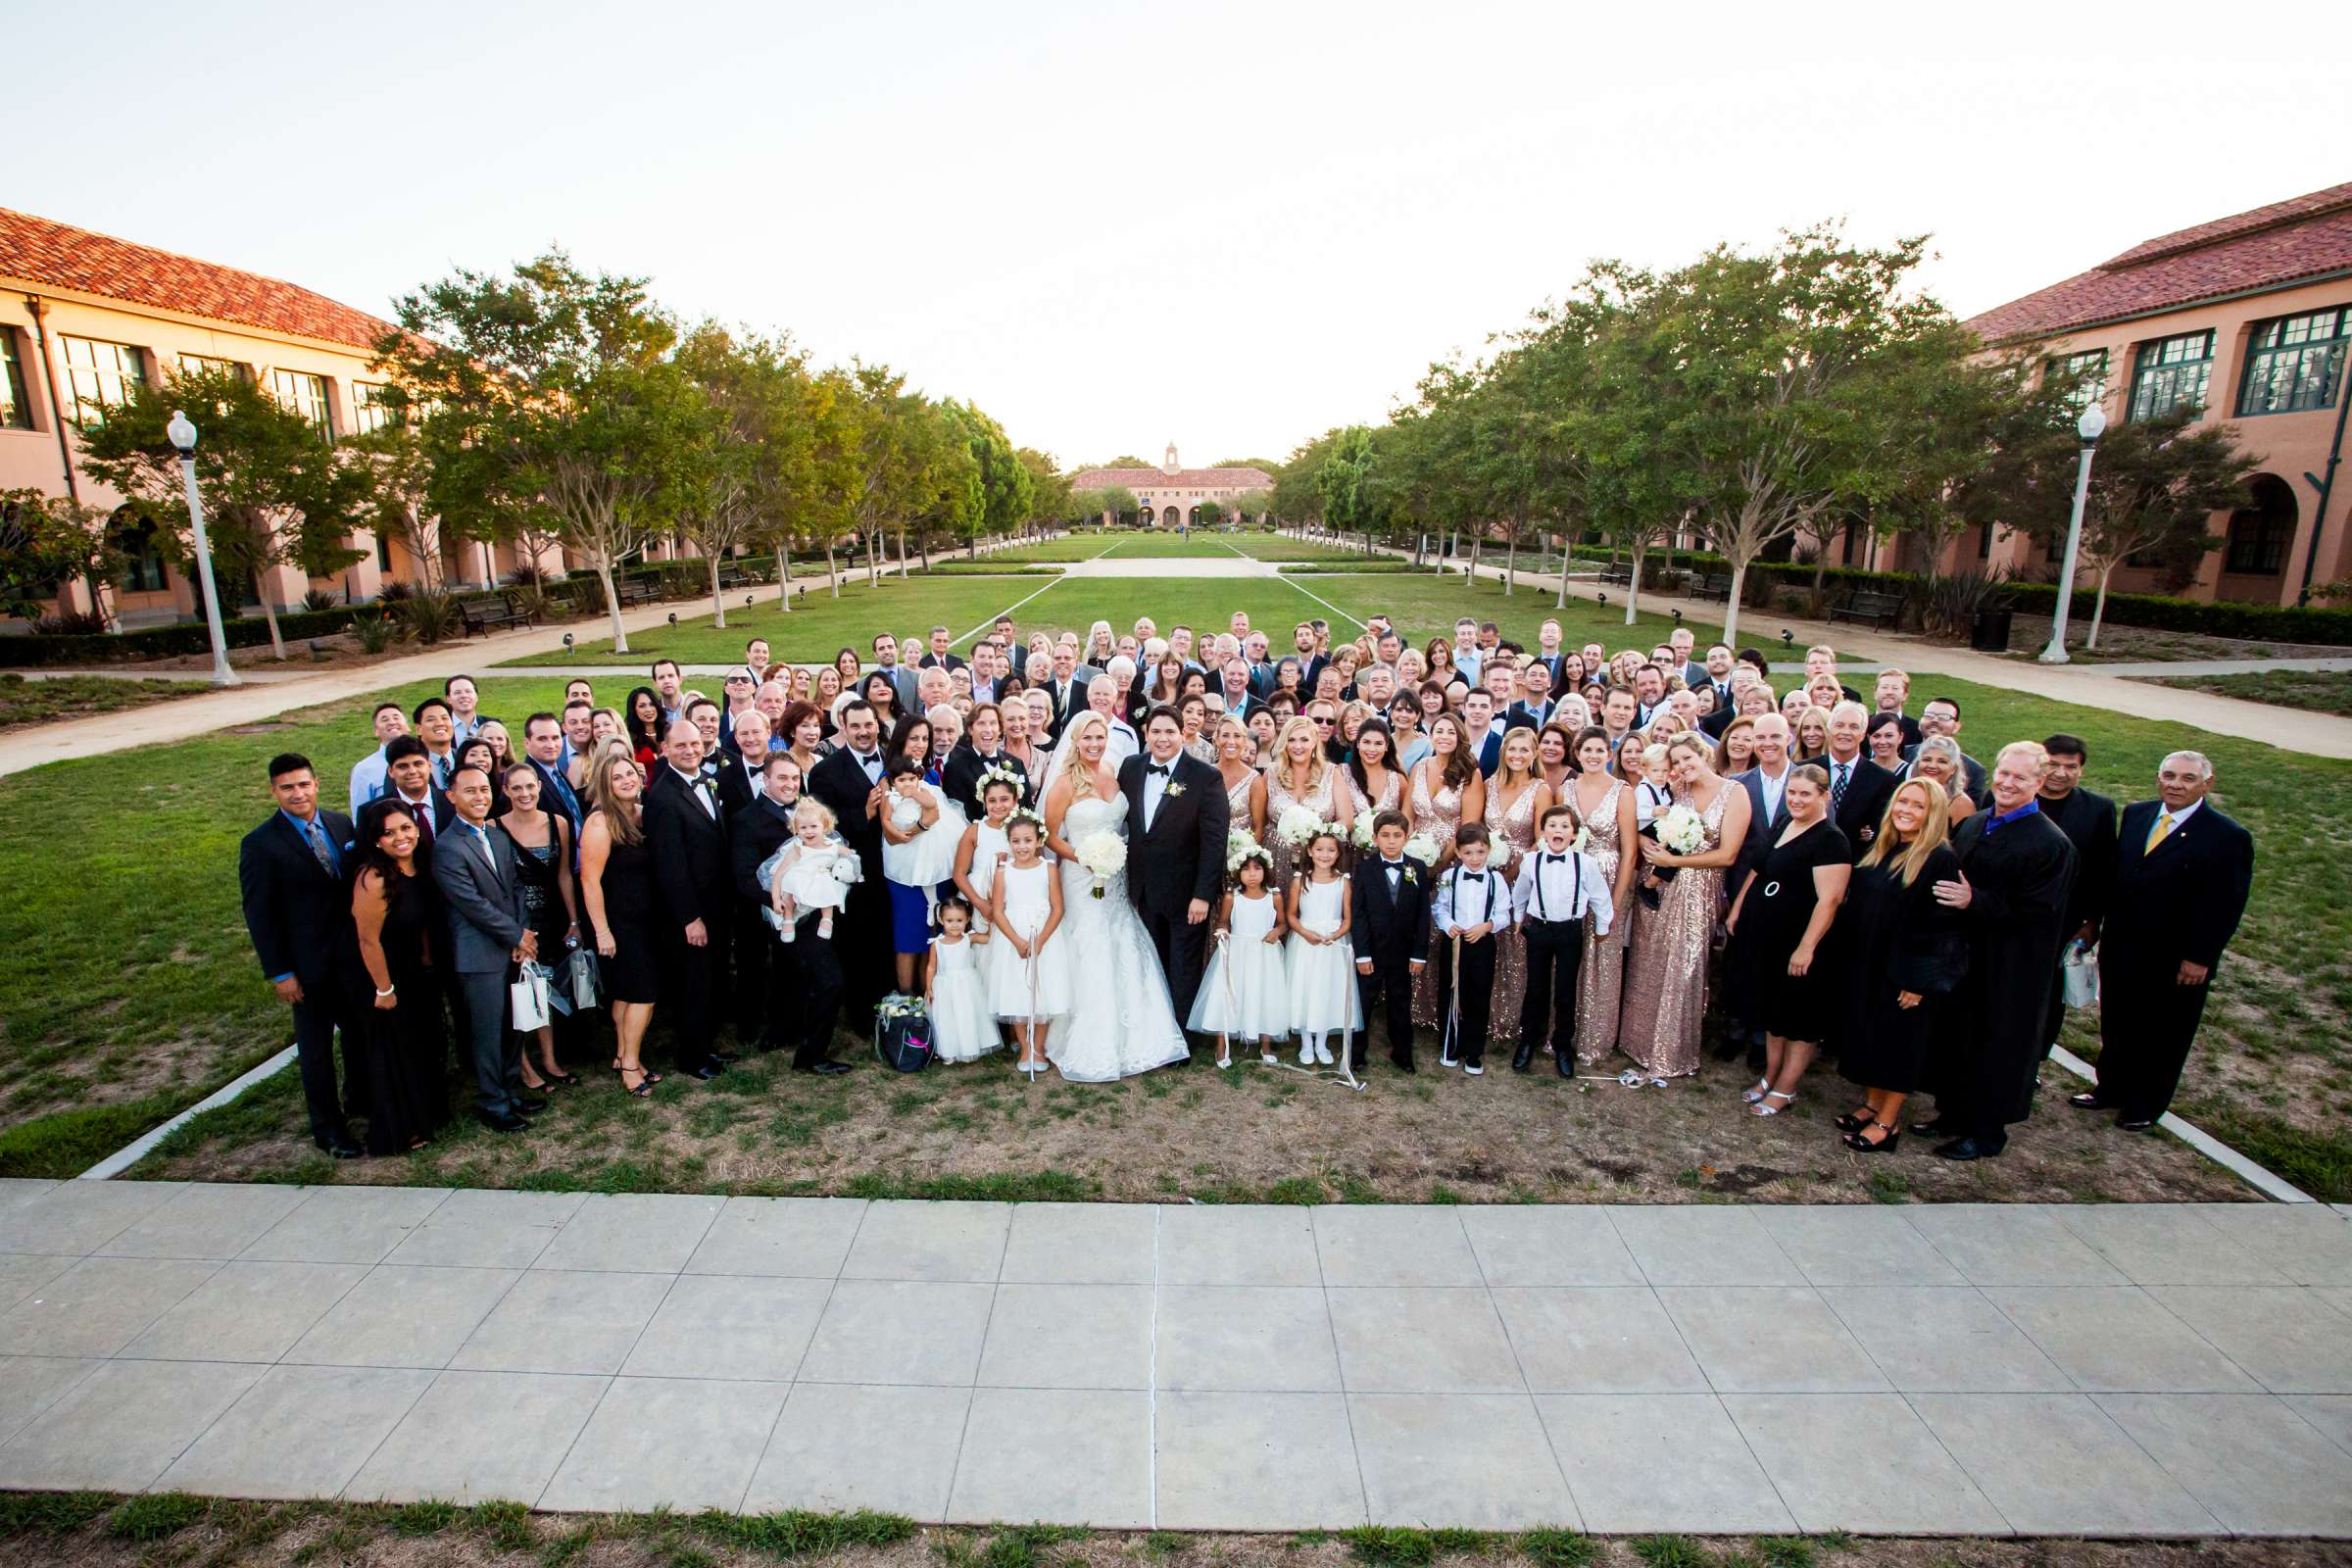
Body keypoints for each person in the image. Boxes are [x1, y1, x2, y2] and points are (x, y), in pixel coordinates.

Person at [2077, 750, 2254, 1131]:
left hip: (2176, 958)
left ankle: (2145, 1104)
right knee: (2118, 1020)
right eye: (2169, 775)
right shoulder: (2138, 814)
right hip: (2124, 944)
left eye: (2188, 778)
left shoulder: (2227, 837)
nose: (2176, 784)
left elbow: (2225, 904)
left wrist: (2200, 957)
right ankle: (2110, 1088)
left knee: (2164, 1033)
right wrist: (2097, 923)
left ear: (2207, 783)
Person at [1921, 741, 2080, 1161]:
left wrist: (1976, 902)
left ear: (2039, 782)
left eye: (2020, 777)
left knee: (1995, 1045)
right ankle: (1951, 1113)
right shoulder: (1975, 824)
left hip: (2010, 965)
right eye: (2004, 774)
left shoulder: (2051, 845)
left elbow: (2039, 910)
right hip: (1964, 958)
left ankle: (1986, 1131)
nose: (2008, 783)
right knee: (1957, 1037)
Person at [1038, 711, 1194, 1079]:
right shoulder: (1063, 782)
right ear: (1075, 741)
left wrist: (1112, 859)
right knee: (1090, 947)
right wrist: (1085, 858)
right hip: (1082, 878)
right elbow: (1050, 835)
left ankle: (1143, 1037)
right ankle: (1092, 1041)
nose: (1094, 745)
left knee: (1124, 942)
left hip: (1118, 878)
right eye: (1087, 738)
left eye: (1100, 737)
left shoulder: (1116, 771)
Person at [239, 753, 363, 1158]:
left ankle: (360, 1100)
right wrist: (280, 973)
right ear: (274, 791)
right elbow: (260, 915)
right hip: (307, 968)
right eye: (288, 787)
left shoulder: (340, 824)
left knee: (359, 1036)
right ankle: (328, 1129)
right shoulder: (260, 844)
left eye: (303, 784)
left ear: (316, 783)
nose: (298, 793)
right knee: (316, 1053)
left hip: (349, 958)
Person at [1835, 779, 1968, 1152]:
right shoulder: (1885, 847)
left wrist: (1920, 981)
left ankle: (1887, 1122)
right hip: (1870, 964)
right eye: (1902, 802)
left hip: (1905, 972)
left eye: (1918, 806)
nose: (1906, 810)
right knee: (1870, 1038)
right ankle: (1870, 1104)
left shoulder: (1940, 858)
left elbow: (1942, 926)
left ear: (1934, 813)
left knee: (1897, 1047)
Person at [1619, 733, 1749, 1080]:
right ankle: (1638, 1043)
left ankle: (1672, 1050)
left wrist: (1675, 863)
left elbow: (1729, 854)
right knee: (1650, 959)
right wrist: (1647, 843)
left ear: (1704, 754)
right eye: (1676, 762)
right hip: (1658, 884)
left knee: (1684, 965)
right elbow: (1646, 826)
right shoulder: (1677, 792)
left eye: (1688, 759)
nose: (1682, 767)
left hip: (1699, 888)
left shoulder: (1734, 793)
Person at [1724, 764, 1850, 1118]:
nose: (1796, 799)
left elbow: (1830, 900)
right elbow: (1759, 868)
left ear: (1823, 796)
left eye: (1805, 794)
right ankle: (1770, 1076)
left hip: (1798, 942)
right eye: (1792, 793)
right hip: (1767, 939)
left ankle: (1787, 1087)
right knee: (1773, 1012)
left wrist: (1807, 946)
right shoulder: (1785, 824)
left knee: (1797, 1020)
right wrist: (1738, 907)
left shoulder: (1831, 840)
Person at [432, 763, 541, 1134]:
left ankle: (509, 1091)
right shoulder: (447, 847)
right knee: (488, 1032)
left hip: (513, 946)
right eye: (470, 791)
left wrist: (523, 934)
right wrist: (515, 936)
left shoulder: (495, 836)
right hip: (478, 954)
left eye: (484, 790)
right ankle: (492, 1102)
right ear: (452, 797)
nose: (479, 797)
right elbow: (471, 904)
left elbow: (516, 887)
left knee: (514, 1027)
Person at [1119, 706, 1232, 1041]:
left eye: (1170, 731)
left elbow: (1214, 842)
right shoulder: (1131, 768)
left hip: (1186, 893)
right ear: (1146, 733)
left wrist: (1202, 895)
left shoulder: (1204, 777)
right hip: (1143, 889)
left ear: (1183, 733)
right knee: (1151, 961)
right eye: (1156, 731)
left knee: (1182, 965)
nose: (1163, 738)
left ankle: (1180, 1036)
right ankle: (1154, 1031)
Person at [342, 799, 447, 1155]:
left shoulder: (420, 867)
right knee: (395, 1053)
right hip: (384, 977)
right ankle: (400, 1128)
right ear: (375, 841)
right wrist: (384, 989)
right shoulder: (373, 879)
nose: (400, 837)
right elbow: (367, 940)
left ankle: (427, 1114)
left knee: (424, 1044)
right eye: (388, 833)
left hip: (419, 972)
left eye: (405, 828)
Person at [733, 761, 852, 1075]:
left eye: (795, 777)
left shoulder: (810, 812)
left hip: (820, 909)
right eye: (782, 777)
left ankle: (789, 1032)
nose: (789, 783)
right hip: (787, 913)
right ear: (765, 779)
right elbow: (745, 877)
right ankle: (810, 1056)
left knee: (807, 978)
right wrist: (781, 901)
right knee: (828, 980)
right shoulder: (747, 819)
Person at [641, 721, 732, 1080]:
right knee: (693, 983)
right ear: (666, 748)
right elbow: (669, 865)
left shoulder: (707, 780)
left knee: (711, 980)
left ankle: (706, 1046)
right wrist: (689, 917)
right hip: (691, 910)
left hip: (717, 904)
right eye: (680, 745)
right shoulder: (663, 797)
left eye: (694, 743)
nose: (690, 750)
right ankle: (691, 1056)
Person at [807, 700, 894, 1030]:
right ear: (843, 727)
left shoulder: (892, 760)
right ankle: (860, 1013)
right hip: (854, 873)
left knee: (888, 936)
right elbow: (823, 826)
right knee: (858, 941)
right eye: (855, 726)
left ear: (877, 724)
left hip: (895, 866)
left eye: (868, 725)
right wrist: (866, 813)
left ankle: (890, 1003)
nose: (863, 732)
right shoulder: (825, 771)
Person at [1512, 803, 1615, 1078]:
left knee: (1566, 990)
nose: (1558, 830)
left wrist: (1603, 925)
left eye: (1564, 826)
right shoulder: (1531, 861)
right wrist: (1518, 917)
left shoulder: (1586, 863)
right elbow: (1521, 892)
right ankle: (1528, 1040)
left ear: (1574, 834)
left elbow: (1600, 897)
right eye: (1552, 826)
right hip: (1540, 930)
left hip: (1570, 931)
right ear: (1543, 831)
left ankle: (1562, 1045)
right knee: (1536, 987)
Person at [497, 763, 579, 1094]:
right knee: (518, 991)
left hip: (552, 916)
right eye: (516, 788)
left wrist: (574, 920)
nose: (525, 794)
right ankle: (524, 1067)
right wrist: (515, 932)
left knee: (544, 989)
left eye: (530, 786)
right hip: (517, 921)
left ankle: (549, 1058)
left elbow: (563, 874)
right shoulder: (495, 828)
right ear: (505, 791)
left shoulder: (557, 823)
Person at [2035, 734, 2118, 1054]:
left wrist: (2091, 922)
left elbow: (2103, 870)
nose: (2060, 773)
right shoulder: (2013, 796)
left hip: (2065, 919)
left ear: (2080, 771)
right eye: (2053, 764)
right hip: (2012, 914)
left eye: (2071, 767)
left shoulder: (2098, 810)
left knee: (2051, 994)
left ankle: (2039, 1055)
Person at [1568, 727, 1638, 1066]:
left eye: (1600, 750)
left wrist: (1615, 899)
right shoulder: (1566, 789)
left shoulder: (1622, 792)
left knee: (1602, 959)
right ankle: (1564, 1031)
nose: (1593, 756)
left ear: (1609, 755)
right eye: (1587, 750)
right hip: (1570, 879)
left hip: (1609, 876)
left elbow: (1629, 850)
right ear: (1577, 754)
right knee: (1569, 957)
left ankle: (1594, 1037)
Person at [1190, 846, 1290, 1069]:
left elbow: (1283, 923)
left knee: (1264, 995)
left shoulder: (1274, 897)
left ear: (1265, 870)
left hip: (1264, 952)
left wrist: (1277, 932)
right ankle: (1221, 1044)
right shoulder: (1232, 897)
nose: (1251, 874)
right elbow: (1224, 920)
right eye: (1245, 869)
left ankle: (1265, 1045)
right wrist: (1223, 930)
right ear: (1237, 873)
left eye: (1256, 868)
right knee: (1228, 994)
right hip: (1237, 951)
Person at [987, 809, 1068, 1077]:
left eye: (1027, 840)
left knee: (1043, 992)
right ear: (1009, 842)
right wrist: (1018, 941)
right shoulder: (1003, 872)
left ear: (1038, 841)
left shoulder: (1049, 868)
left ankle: (1039, 1048)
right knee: (1018, 991)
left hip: (1045, 936)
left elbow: (1058, 908)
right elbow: (998, 911)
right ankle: (1024, 1048)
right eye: (1016, 841)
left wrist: (1040, 941)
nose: (1022, 846)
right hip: (1014, 938)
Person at [1349, 810, 1431, 1074]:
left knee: (1400, 1003)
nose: (1391, 841)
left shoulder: (1417, 867)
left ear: (1407, 838)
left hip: (1403, 953)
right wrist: (1361, 954)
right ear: (1375, 838)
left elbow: (1422, 915)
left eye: (1397, 836)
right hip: (1371, 953)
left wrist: (1419, 955)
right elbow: (1358, 914)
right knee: (1363, 1003)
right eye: (1385, 835)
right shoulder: (1364, 869)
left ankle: (1403, 1053)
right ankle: (1357, 1053)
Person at [1432, 823, 1504, 1073]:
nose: (1475, 858)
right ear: (1459, 853)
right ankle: (1449, 1046)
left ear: (1489, 851)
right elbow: (1439, 907)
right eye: (1469, 853)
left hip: (1483, 944)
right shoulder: (1449, 877)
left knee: (1478, 996)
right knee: (1451, 993)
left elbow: (1504, 913)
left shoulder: (1496, 880)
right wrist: (1448, 925)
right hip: (1454, 944)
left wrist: (1487, 926)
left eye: (1481, 852)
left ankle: (1474, 1052)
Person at [1286, 825, 1359, 1068]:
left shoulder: (1343, 882)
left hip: (1332, 943)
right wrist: (1306, 933)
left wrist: (1336, 934)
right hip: (1306, 942)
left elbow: (1347, 918)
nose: (1325, 855)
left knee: (1328, 990)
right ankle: (1306, 1042)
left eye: (1331, 850)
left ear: (1338, 854)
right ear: (1310, 851)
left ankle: (1322, 1042)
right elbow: (1291, 915)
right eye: (1319, 850)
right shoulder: (1300, 881)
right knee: (1305, 989)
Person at [1256, 714, 1352, 891]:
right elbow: (1259, 821)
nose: (1297, 746)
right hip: (1275, 859)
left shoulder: (1331, 773)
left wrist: (1318, 834)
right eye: (1291, 740)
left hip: (1317, 862)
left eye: (1304, 740)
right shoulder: (1271, 774)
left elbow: (1346, 820)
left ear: (1315, 742)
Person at [925, 893, 996, 1064]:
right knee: (947, 1017)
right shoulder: (937, 943)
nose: (955, 925)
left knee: (966, 1014)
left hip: (966, 986)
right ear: (941, 920)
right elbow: (931, 966)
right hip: (944, 986)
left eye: (959, 921)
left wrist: (991, 921)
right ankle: (949, 1050)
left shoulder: (968, 938)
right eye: (950, 921)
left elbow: (988, 938)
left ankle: (969, 1047)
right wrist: (929, 987)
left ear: (967, 919)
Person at [1819, 702, 1895, 858]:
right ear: (1829, 730)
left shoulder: (1883, 779)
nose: (1845, 732)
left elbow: (1880, 830)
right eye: (1839, 725)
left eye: (1853, 727)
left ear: (1863, 734)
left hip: (1856, 863)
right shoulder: (1805, 769)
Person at [944, 703, 1027, 816]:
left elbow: (1026, 805)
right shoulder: (955, 768)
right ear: (970, 729)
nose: (988, 729)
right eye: (981, 723)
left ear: (1000, 729)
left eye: (993, 723)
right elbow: (958, 815)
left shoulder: (1017, 763)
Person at [349, 702, 410, 809]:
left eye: (396, 718)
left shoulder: (423, 759)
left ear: (407, 727)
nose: (392, 722)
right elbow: (359, 813)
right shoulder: (364, 769)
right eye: (384, 720)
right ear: (376, 731)